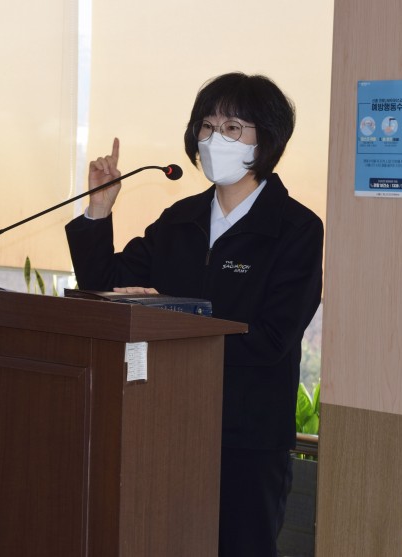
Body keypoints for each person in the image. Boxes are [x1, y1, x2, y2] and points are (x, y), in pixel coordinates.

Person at [65, 72, 323, 557]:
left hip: (246, 437)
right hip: (163, 421)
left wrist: (170, 321)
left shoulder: (297, 229)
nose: (213, 139)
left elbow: (272, 338)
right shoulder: (179, 220)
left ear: (266, 139)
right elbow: (105, 287)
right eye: (206, 126)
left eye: (232, 128)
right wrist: (99, 210)